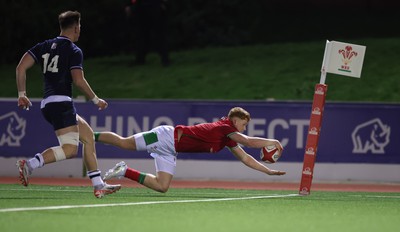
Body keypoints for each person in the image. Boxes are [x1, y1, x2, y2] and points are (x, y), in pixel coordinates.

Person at [15, 11, 121, 198]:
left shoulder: (44, 46)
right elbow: (78, 81)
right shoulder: (73, 50)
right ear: (76, 27)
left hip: (47, 104)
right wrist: (96, 100)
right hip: (62, 103)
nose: (80, 30)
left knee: (87, 136)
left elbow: (21, 67)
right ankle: (30, 164)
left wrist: (22, 94)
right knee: (70, 150)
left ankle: (98, 185)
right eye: (80, 26)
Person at [95, 107, 286, 193]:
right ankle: (89, 135)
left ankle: (124, 170)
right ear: (234, 120)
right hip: (165, 136)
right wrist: (274, 140)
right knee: (123, 142)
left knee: (162, 186)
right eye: (243, 124)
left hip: (170, 150)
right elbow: (249, 142)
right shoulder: (225, 128)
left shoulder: (227, 137)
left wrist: (268, 171)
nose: (244, 128)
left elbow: (246, 159)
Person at [124, 0, 170, 66]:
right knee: (140, 35)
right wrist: (128, 4)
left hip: (154, 5)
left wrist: (163, 3)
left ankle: (165, 59)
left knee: (159, 33)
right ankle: (140, 59)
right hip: (139, 6)